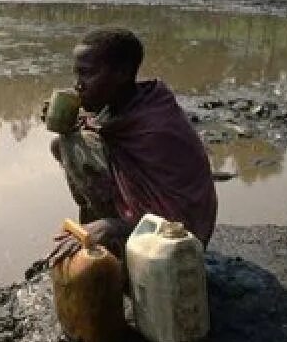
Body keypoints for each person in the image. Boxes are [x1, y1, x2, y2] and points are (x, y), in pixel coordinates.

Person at [46, 28, 217, 266]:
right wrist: (68, 119)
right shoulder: (123, 102)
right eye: (76, 75)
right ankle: (100, 233)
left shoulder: (157, 128)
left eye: (87, 75)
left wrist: (114, 226)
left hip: (178, 241)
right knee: (65, 143)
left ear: (123, 73)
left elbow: (180, 221)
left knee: (73, 146)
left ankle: (110, 240)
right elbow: (97, 129)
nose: (78, 86)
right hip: (148, 214)